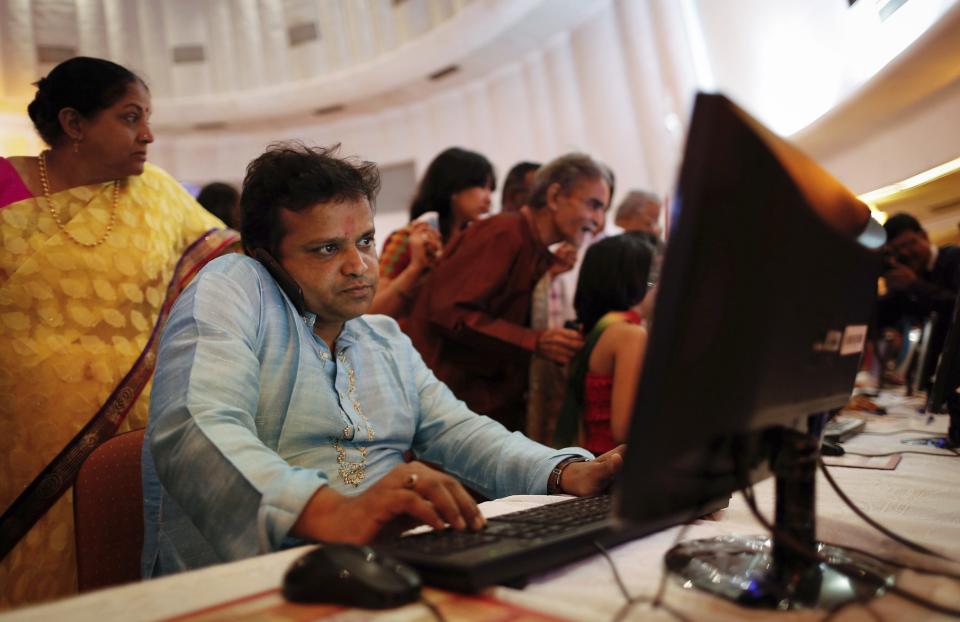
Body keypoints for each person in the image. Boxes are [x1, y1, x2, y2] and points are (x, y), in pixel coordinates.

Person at [141, 143, 622, 576]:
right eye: (327, 248)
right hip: (263, 576)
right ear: (267, 257)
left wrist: (565, 471)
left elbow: (459, 431)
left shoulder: (382, 337)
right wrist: (329, 511)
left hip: (389, 566)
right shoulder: (236, 288)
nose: (359, 266)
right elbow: (196, 422)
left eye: (365, 240)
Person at [0, 56, 235, 608]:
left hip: (142, 422)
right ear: (74, 124)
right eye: (131, 118)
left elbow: (229, 269)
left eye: (147, 118)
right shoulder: (4, 188)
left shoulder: (157, 194)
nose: (148, 135)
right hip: (20, 436)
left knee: (132, 562)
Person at [406, 153, 612, 432]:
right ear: (553, 197)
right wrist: (535, 341)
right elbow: (448, 313)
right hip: (446, 413)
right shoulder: (502, 233)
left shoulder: (534, 247)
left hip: (482, 412)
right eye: (593, 206)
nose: (598, 221)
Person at [554, 235, 655, 454]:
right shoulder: (629, 334)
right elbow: (624, 430)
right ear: (636, 283)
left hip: (594, 456)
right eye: (653, 277)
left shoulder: (601, 326)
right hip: (613, 465)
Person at [370, 147, 495, 321]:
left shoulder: (472, 240)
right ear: (454, 185)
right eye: (482, 186)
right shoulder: (408, 238)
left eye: (491, 189)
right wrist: (416, 270)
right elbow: (373, 312)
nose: (489, 198)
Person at [875, 212, 960, 386]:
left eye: (908, 244)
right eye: (897, 251)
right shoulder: (909, 275)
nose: (905, 253)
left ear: (924, 236)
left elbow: (956, 309)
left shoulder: (954, 258)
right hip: (929, 376)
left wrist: (914, 285)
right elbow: (883, 319)